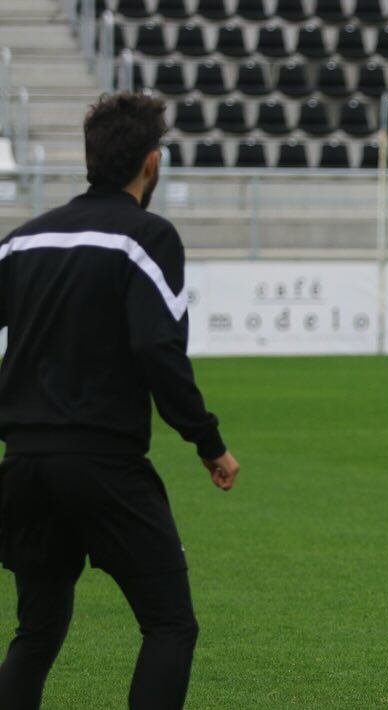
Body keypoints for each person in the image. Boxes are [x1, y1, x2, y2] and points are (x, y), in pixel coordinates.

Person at [0, 93, 239, 710]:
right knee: (169, 624)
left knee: (38, 629)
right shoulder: (147, 237)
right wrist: (207, 442)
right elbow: (158, 349)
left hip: (24, 466)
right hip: (101, 464)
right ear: (151, 163)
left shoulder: (23, 241)